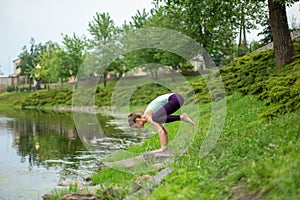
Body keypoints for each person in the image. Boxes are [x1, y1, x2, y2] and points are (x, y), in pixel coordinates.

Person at [128, 93, 195, 153]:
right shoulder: (152, 116)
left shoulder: (148, 116)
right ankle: (182, 117)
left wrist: (162, 149)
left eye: (136, 126)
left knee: (155, 118)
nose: (137, 128)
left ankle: (182, 117)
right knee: (156, 118)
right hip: (178, 99)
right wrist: (165, 148)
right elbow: (164, 131)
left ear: (137, 120)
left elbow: (160, 131)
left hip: (175, 99)